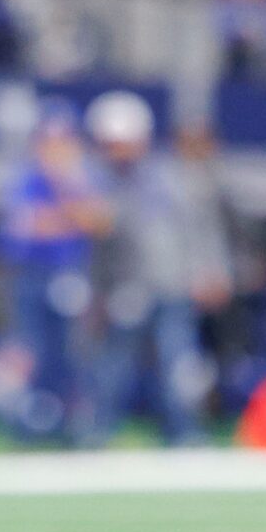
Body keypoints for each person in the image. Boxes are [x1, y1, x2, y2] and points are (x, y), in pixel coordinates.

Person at [81, 90, 204, 445]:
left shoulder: (167, 178)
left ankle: (183, 432)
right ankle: (98, 431)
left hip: (170, 285)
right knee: (113, 364)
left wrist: (202, 271)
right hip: (124, 287)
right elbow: (100, 245)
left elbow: (191, 231)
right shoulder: (95, 179)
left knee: (178, 363)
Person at [0, 103, 108, 442]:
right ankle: (29, 428)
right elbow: (24, 228)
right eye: (49, 142)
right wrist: (70, 215)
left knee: (77, 355)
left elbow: (99, 222)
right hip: (30, 275)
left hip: (74, 273)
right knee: (30, 354)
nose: (57, 151)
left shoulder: (85, 177)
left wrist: (65, 197)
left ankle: (77, 430)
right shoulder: (24, 179)